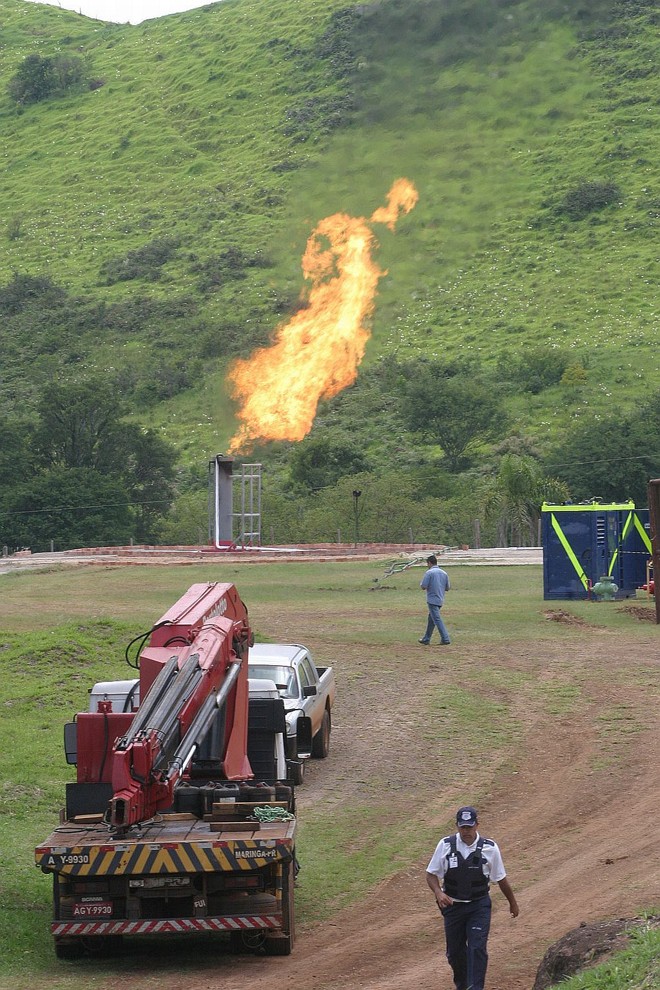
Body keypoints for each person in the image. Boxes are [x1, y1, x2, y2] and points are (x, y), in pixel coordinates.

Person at [425, 806, 519, 990]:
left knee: (477, 948)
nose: (466, 831)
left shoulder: (490, 848)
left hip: (479, 906)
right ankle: (463, 985)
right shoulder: (445, 845)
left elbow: (501, 878)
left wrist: (512, 903)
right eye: (463, 827)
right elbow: (430, 874)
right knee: (455, 954)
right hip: (453, 908)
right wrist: (438, 892)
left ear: (477, 825)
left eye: (469, 827)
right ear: (457, 826)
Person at [418, 554, 451, 645]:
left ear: (429, 563)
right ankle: (426, 638)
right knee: (431, 619)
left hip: (432, 599)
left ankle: (445, 638)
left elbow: (423, 586)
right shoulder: (444, 573)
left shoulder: (429, 573)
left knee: (437, 619)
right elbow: (447, 588)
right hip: (440, 599)